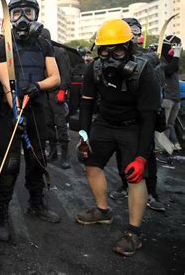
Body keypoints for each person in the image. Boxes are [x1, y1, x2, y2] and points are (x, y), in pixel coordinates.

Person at [75, 19, 161, 256]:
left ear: (130, 48)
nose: (111, 57)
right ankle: (103, 212)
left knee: (134, 176)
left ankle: (134, 232)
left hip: (134, 125)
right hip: (104, 123)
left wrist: (142, 157)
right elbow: (86, 105)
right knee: (91, 163)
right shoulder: (94, 69)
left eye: (118, 50)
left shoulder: (144, 73)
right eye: (104, 50)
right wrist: (84, 137)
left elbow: (148, 117)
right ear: (97, 50)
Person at [0, 0, 61, 243]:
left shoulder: (43, 44)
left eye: (27, 13)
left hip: (37, 108)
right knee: (9, 164)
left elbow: (55, 77)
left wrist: (39, 86)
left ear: (36, 16)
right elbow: (6, 84)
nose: (21, 19)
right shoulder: (1, 46)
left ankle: (36, 203)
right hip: (11, 112)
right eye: (16, 13)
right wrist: (16, 110)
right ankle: (1, 214)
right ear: (9, 18)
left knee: (37, 158)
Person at [109, 17, 167, 213]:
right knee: (121, 152)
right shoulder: (112, 55)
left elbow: (158, 78)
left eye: (136, 29)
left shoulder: (148, 57)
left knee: (147, 152)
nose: (133, 32)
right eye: (128, 28)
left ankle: (151, 192)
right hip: (124, 115)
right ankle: (125, 185)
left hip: (145, 114)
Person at [41, 29, 71, 169]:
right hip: (44, 93)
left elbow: (65, 72)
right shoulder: (39, 53)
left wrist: (62, 90)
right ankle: (53, 152)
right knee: (47, 124)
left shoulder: (58, 52)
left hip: (56, 92)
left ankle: (65, 156)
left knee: (60, 124)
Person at [161, 35, 182, 150]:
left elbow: (174, 68)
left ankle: (166, 148)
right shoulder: (161, 59)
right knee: (163, 126)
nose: (176, 49)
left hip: (176, 98)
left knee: (170, 125)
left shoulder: (174, 60)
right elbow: (168, 71)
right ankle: (160, 149)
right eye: (174, 46)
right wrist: (176, 56)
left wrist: (176, 56)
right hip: (167, 97)